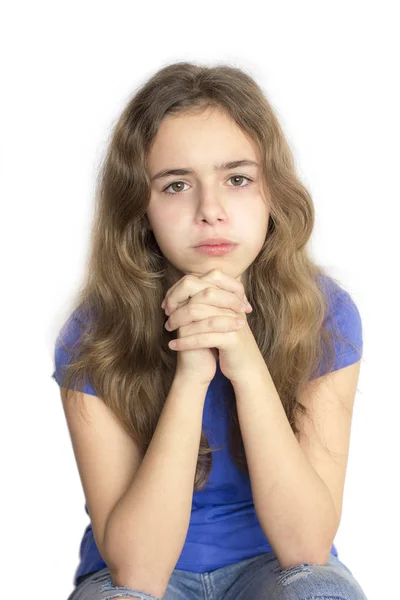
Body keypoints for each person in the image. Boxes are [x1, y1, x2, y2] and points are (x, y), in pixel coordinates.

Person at [52, 61, 368, 600]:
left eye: (237, 179)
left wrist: (245, 365)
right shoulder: (93, 332)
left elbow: (306, 548)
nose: (211, 211)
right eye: (176, 185)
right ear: (140, 211)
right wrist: (191, 373)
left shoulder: (324, 314)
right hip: (146, 573)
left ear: (272, 194)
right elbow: (136, 573)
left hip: (274, 569)